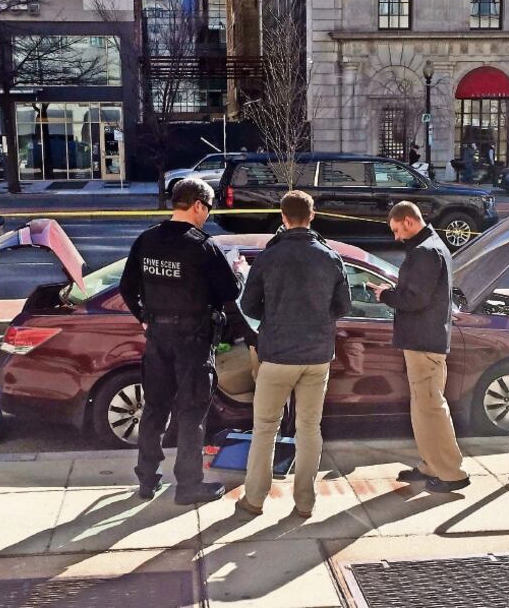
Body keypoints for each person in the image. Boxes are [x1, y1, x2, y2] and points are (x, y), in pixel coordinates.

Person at [119, 178, 244, 505]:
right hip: (194, 340)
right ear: (198, 205)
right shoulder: (204, 246)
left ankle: (147, 480)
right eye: (209, 207)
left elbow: (126, 287)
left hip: (158, 336)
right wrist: (237, 271)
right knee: (191, 412)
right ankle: (188, 485)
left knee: (155, 408)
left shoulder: (146, 240)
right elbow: (231, 292)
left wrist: (145, 317)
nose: (208, 214)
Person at [236, 190, 352, 518]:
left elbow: (248, 305)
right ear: (312, 215)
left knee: (264, 427)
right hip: (317, 356)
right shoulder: (330, 256)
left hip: (276, 354)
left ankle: (254, 499)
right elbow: (344, 305)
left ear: (283, 218)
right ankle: (305, 502)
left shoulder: (270, 256)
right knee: (309, 428)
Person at [368, 202, 470, 493]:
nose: (397, 237)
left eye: (397, 230)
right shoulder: (430, 246)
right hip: (424, 340)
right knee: (424, 408)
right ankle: (431, 465)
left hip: (424, 342)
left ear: (410, 221)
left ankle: (451, 473)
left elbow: (415, 299)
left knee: (431, 408)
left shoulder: (426, 251)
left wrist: (386, 295)